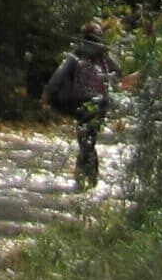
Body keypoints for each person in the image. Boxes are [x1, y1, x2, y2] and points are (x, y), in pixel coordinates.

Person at [42, 18, 117, 189]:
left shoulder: (75, 56)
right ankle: (88, 177)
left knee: (85, 138)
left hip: (82, 103)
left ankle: (85, 176)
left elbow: (57, 78)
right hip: (101, 104)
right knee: (90, 138)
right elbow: (118, 75)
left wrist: (47, 95)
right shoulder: (105, 56)